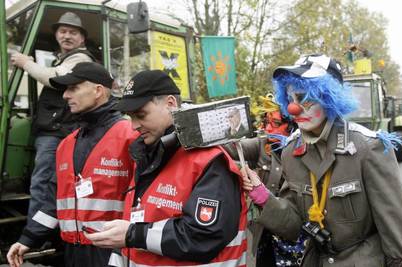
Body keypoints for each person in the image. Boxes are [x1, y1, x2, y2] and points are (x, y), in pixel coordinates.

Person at [242, 54, 402, 266]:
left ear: (328, 97)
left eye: (304, 98)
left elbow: (395, 227)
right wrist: (262, 196)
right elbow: (294, 225)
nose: (294, 108)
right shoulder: (290, 152)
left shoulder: (368, 147)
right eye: (291, 99)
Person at [84, 70, 247, 266]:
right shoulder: (147, 154)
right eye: (130, 116)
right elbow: (134, 223)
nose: (134, 125)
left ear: (170, 104)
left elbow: (203, 236)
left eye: (141, 115)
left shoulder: (210, 161)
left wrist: (132, 234)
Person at [7, 62, 138, 267]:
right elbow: (53, 202)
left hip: (114, 254)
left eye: (73, 88)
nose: (65, 95)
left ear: (98, 91)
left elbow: (144, 202)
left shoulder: (130, 136)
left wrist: (121, 251)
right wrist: (28, 239)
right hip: (73, 253)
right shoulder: (66, 144)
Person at [10, 11, 95, 235]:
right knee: (44, 181)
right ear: (57, 34)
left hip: (59, 130)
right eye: (63, 31)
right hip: (54, 128)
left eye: (73, 32)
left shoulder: (79, 58)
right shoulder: (63, 58)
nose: (67, 36)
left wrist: (26, 63)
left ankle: (35, 234)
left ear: (82, 38)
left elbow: (55, 79)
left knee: (44, 182)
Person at [225, 96, 303, 267]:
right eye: (266, 122)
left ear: (293, 124)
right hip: (266, 236)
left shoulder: (306, 151)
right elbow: (229, 147)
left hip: (299, 241)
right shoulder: (263, 145)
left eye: (275, 123)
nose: (267, 128)